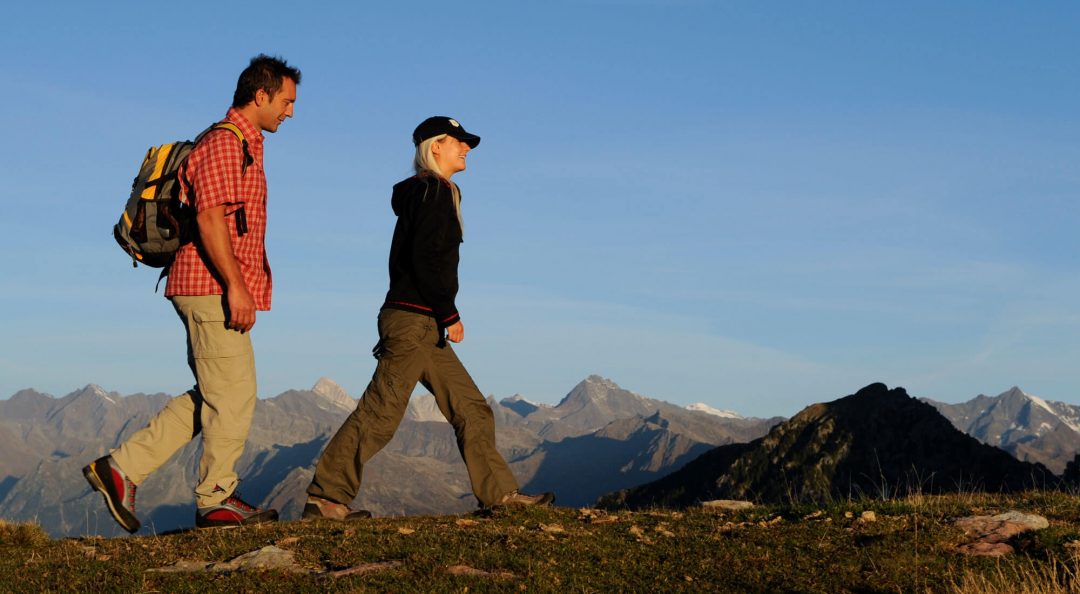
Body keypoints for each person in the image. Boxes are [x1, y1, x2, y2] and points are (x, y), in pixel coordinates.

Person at [82, 54, 301, 532]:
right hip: (211, 287)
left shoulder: (244, 144)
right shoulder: (226, 144)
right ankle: (215, 498)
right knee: (236, 393)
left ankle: (119, 470)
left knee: (216, 394)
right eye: (286, 101)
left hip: (207, 286)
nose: (290, 111)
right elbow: (209, 218)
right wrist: (237, 288)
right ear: (260, 95)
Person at [303, 116, 555, 520]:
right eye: (459, 142)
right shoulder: (433, 192)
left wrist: (438, 315)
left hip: (420, 322)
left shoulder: (431, 193)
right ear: (435, 146)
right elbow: (425, 259)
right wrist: (449, 313)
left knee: (471, 407)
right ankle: (325, 496)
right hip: (413, 319)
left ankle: (500, 496)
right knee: (381, 411)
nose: (466, 148)